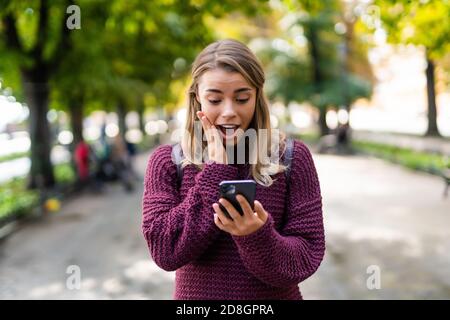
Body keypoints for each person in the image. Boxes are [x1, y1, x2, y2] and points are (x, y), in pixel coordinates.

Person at [141, 39, 325, 300]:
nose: (229, 112)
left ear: (257, 96)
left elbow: (307, 257)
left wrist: (256, 236)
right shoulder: (168, 161)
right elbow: (165, 251)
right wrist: (217, 170)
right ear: (197, 99)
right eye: (215, 99)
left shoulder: (291, 158)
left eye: (242, 98)